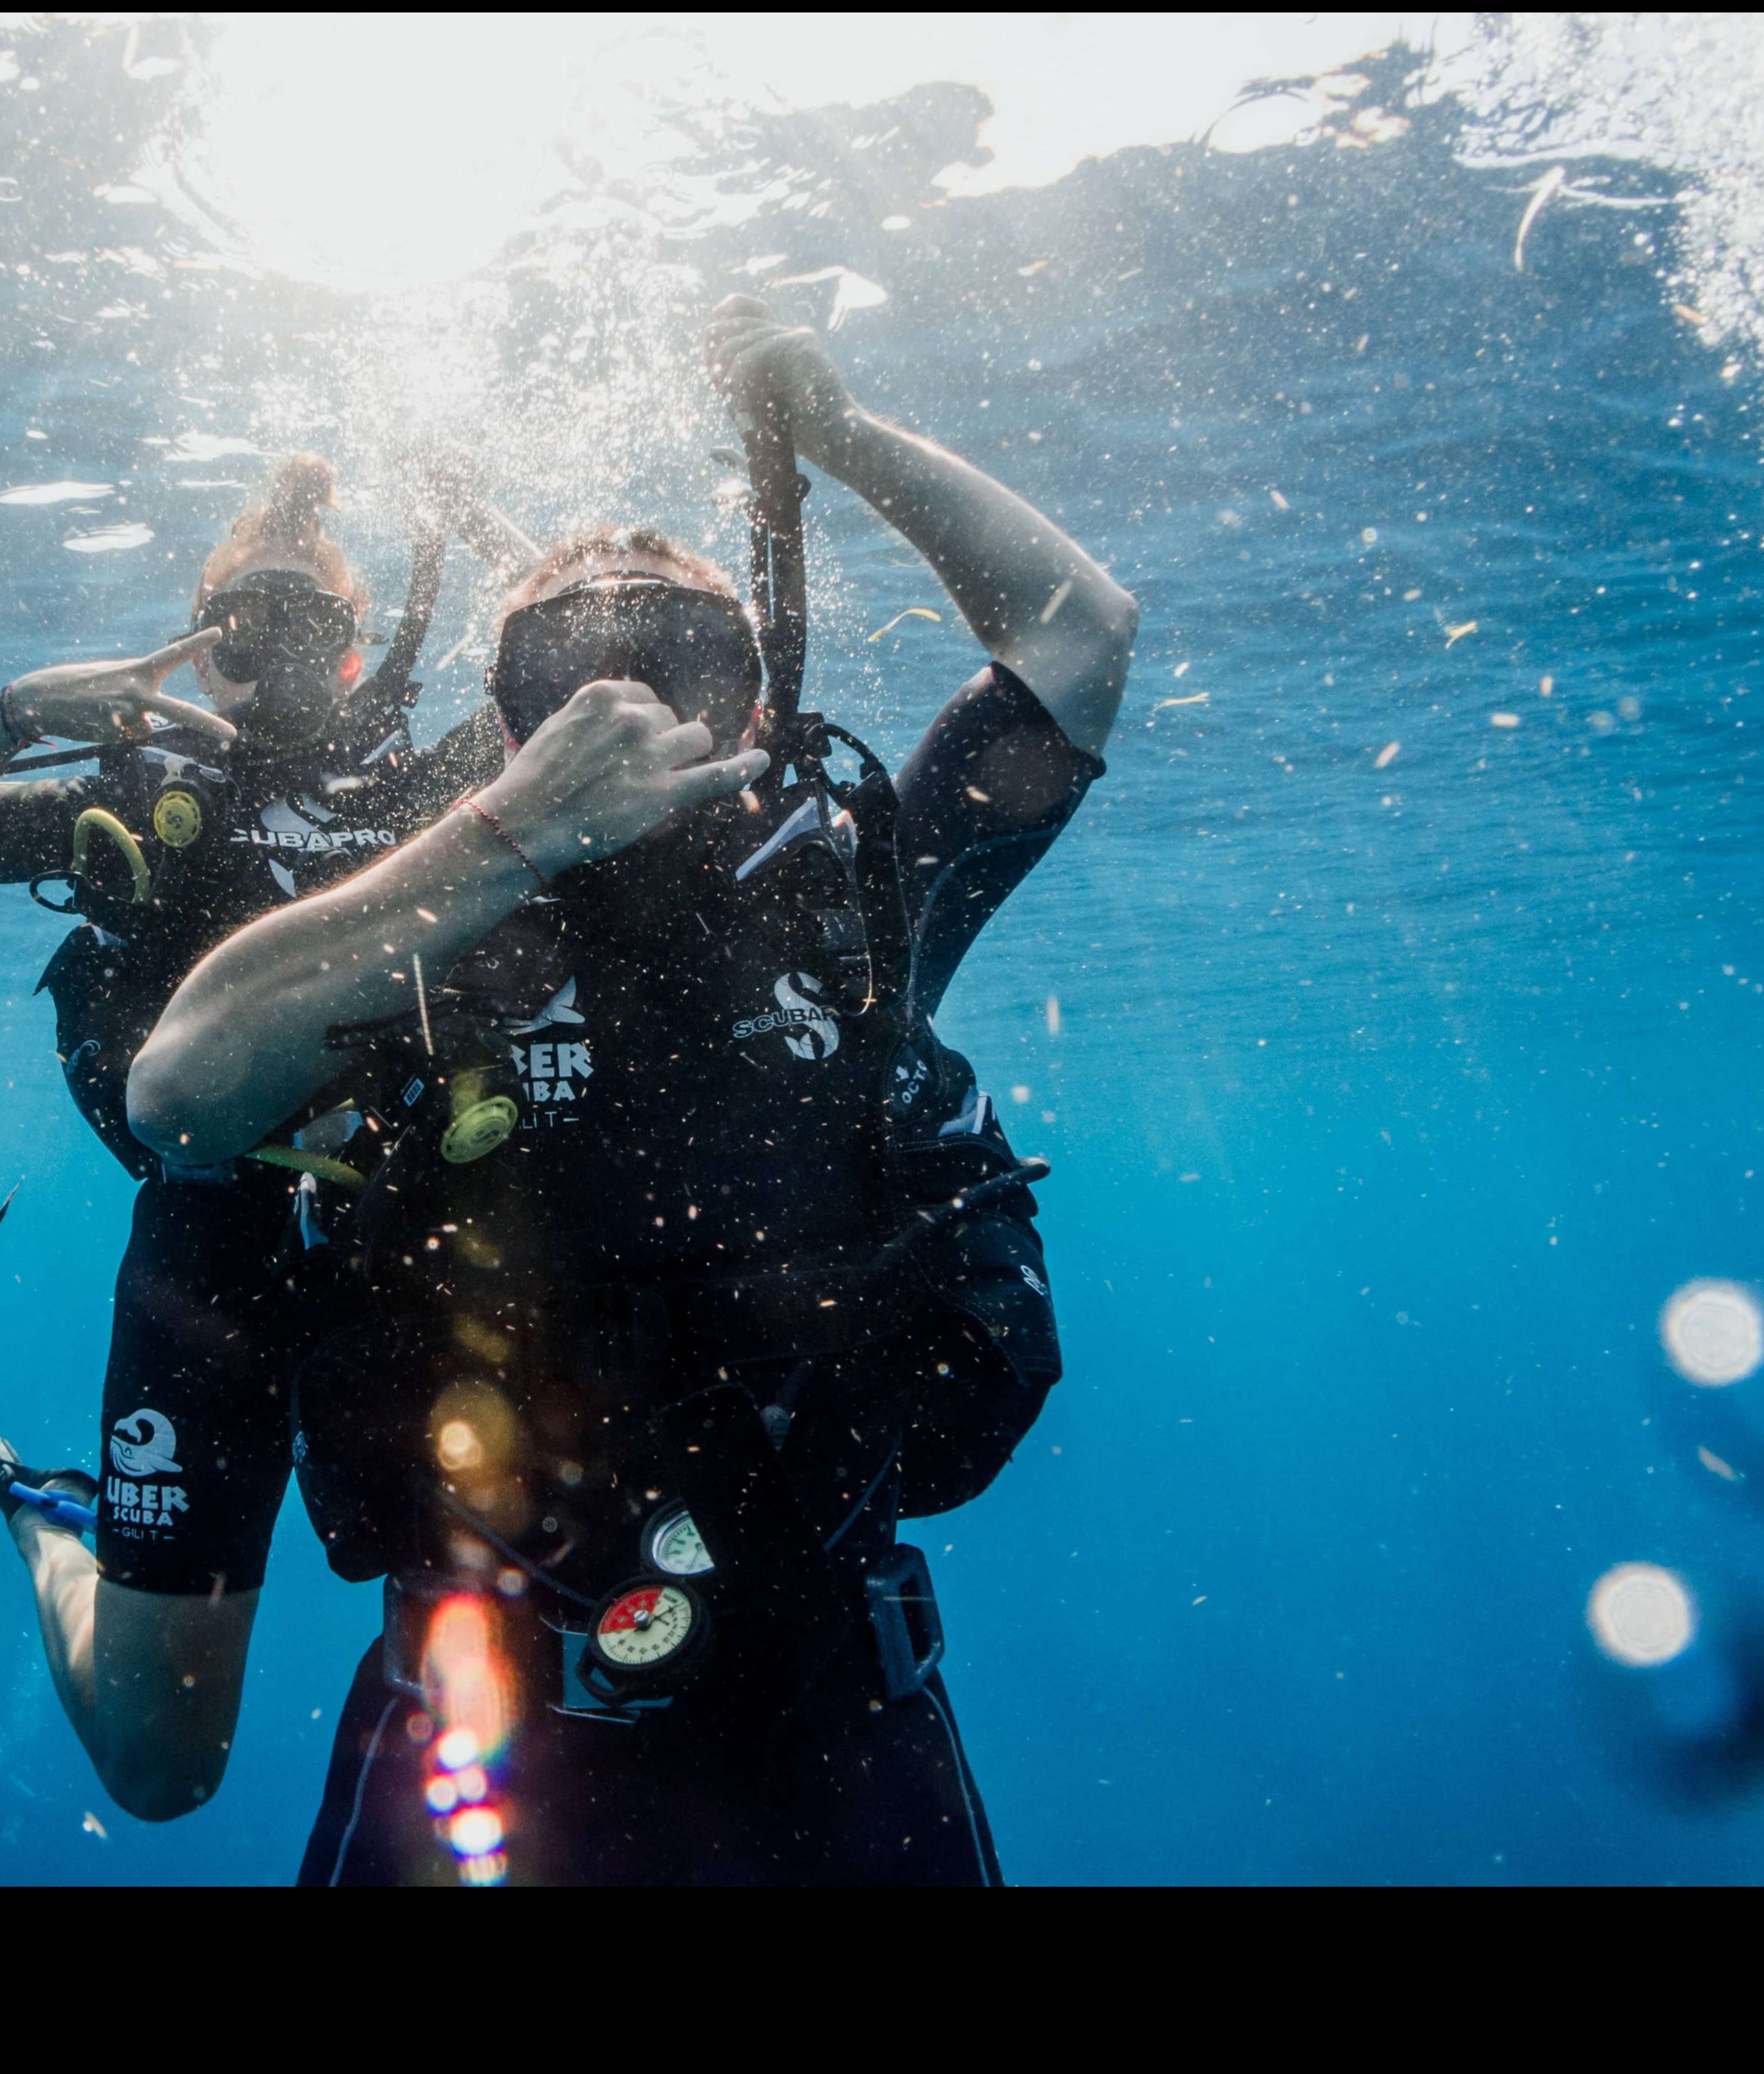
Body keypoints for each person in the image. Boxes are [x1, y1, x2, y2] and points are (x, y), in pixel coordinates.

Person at [120, 294, 1140, 1884]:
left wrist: (847, 436)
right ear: (507, 716)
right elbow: (177, 1096)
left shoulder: (846, 893)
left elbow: (1081, 633)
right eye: (573, 663)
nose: (636, 700)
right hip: (470, 1744)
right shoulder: (420, 917)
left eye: (687, 652)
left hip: (841, 1745)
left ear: (756, 696)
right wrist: (502, 840)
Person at [0, 456, 524, 1820]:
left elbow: (588, 681)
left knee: (508, 1635)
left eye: (306, 628)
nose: (269, 660)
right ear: (196, 652)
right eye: (237, 630)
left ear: (354, 652)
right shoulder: (130, 805)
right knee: (159, 1771)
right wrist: (18, 712)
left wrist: (494, 527)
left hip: (413, 1249)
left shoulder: (434, 793)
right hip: (206, 1267)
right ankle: (52, 1511)